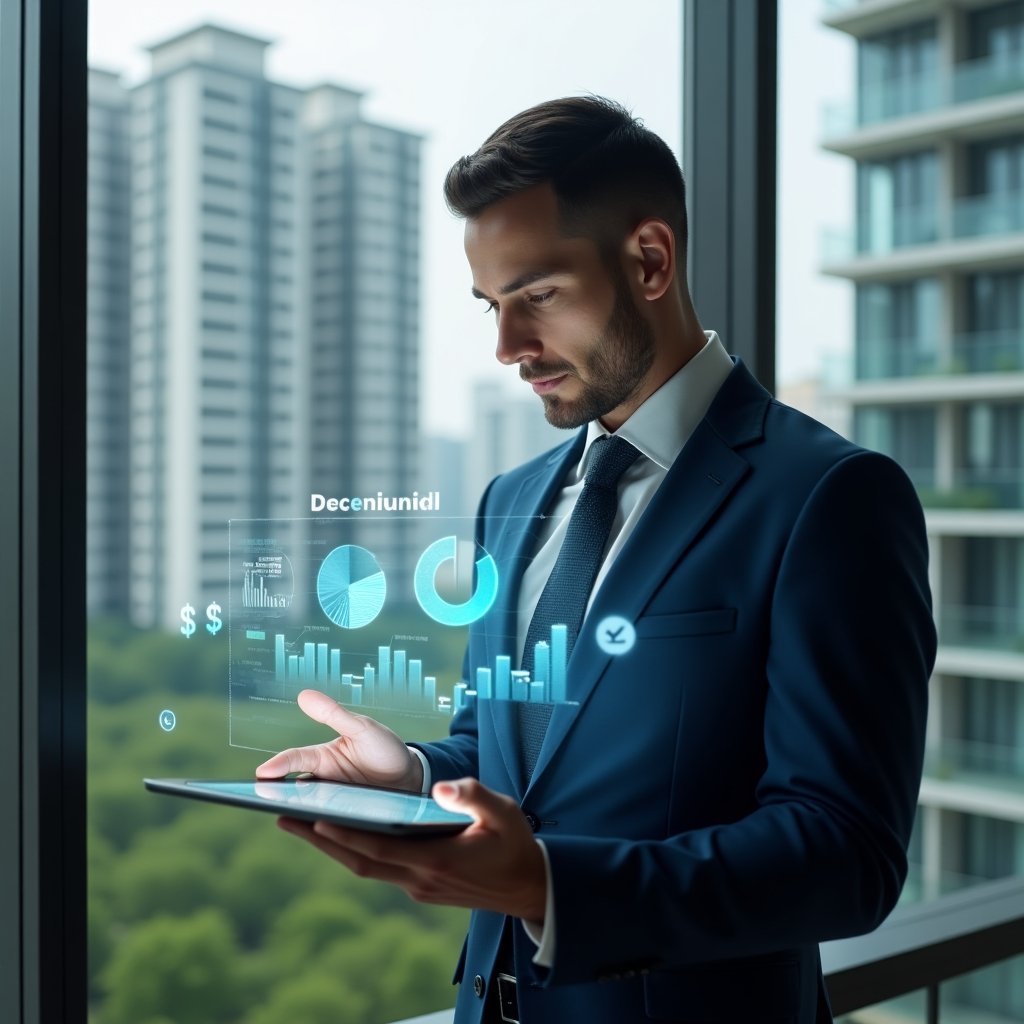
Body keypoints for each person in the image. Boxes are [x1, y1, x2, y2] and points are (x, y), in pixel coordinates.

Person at [257, 96, 936, 1023]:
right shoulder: (511, 499)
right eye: (493, 306)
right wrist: (413, 775)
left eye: (536, 296)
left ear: (650, 259)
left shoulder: (830, 498)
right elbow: (518, 755)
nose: (507, 348)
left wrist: (550, 888)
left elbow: (846, 854)